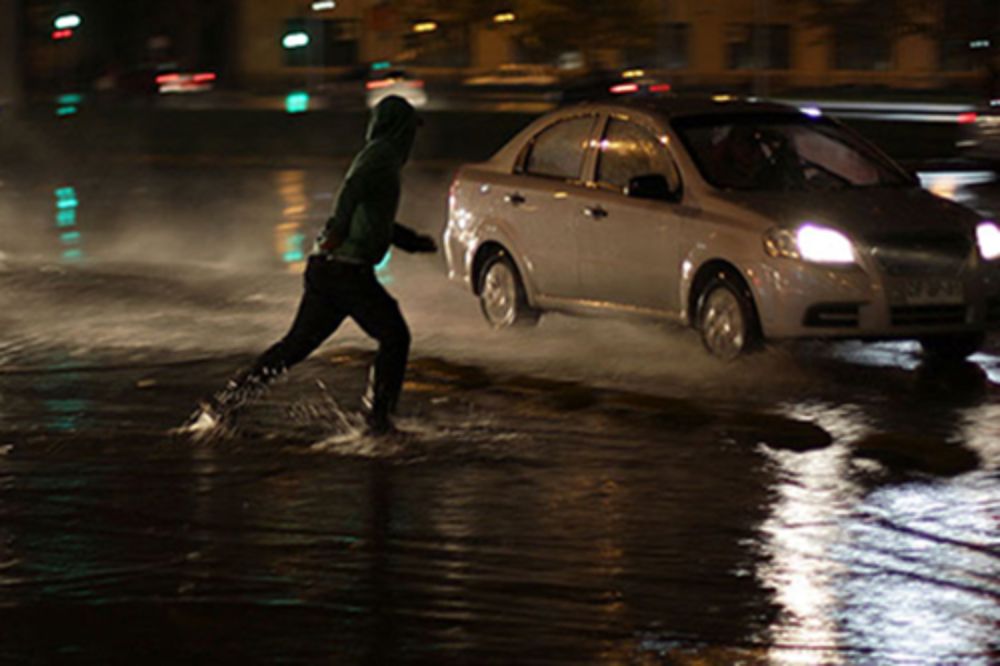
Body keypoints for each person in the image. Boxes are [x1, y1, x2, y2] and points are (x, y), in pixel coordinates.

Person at [185, 95, 437, 437]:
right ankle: (377, 420)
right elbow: (351, 190)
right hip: (345, 270)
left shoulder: (384, 158)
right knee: (395, 336)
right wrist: (336, 229)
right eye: (410, 129)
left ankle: (227, 401)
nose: (413, 138)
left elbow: (374, 221)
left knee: (296, 345)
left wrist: (410, 241)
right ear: (398, 129)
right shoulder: (381, 155)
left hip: (329, 269)